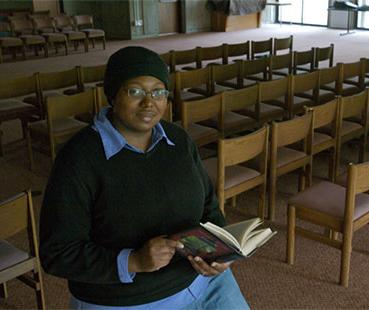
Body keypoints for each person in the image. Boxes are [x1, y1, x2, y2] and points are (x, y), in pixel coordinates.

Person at [39, 46, 249, 309]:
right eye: (135, 91)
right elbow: (57, 253)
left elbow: (207, 203)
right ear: (113, 95)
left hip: (202, 281)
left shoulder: (178, 140)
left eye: (158, 91)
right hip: (129, 299)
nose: (149, 103)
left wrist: (220, 253)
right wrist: (133, 261)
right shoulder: (79, 159)